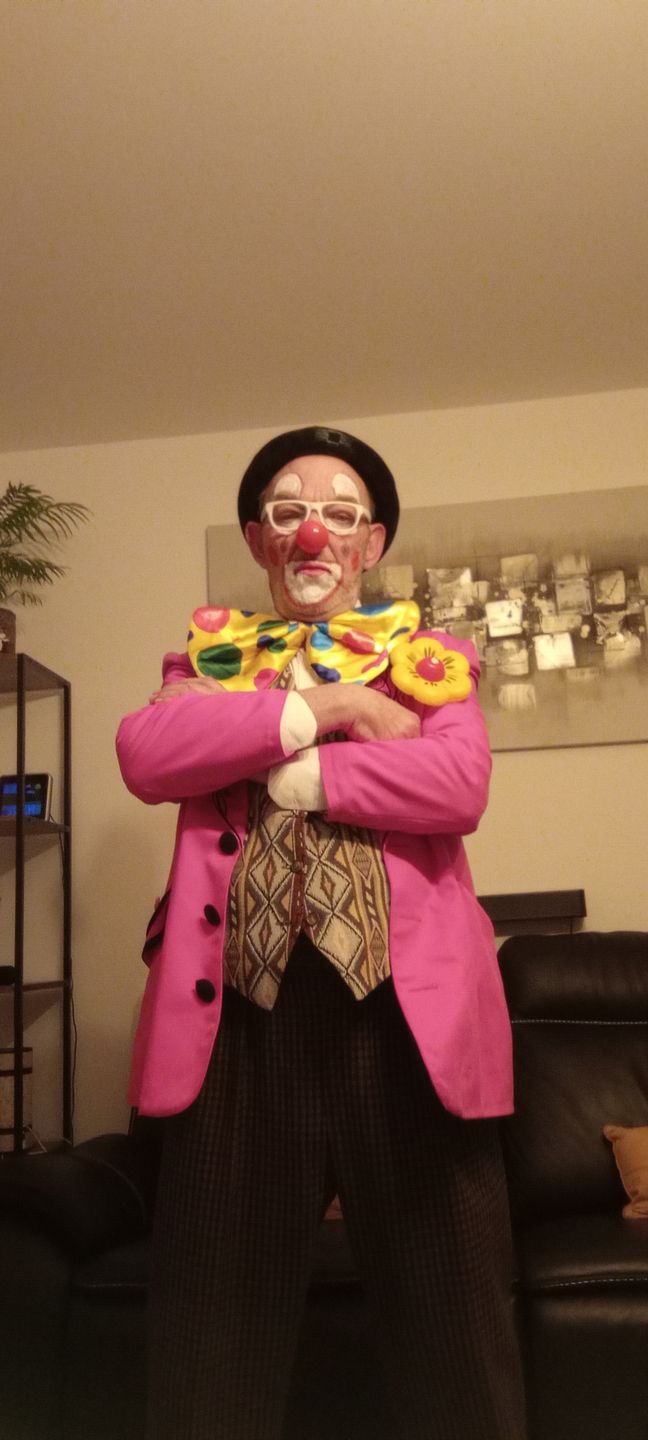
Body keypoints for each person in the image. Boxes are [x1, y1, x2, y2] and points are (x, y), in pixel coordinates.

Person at [116, 425, 528, 1440]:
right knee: (210, 1342)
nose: (314, 531)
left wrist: (293, 770)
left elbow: (457, 783)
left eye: (341, 514)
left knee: (455, 1328)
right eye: (289, 511)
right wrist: (333, 707)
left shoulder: (431, 658)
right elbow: (149, 754)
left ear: (371, 542)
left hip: (407, 1027)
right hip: (235, 1028)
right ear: (259, 538)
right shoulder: (209, 659)